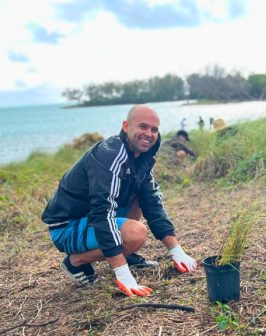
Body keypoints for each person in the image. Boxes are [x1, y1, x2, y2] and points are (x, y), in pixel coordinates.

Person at [42, 105, 197, 297]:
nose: (149, 134)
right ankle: (75, 261)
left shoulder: (143, 156)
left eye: (154, 129)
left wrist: (176, 250)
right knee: (135, 234)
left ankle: (127, 253)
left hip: (91, 219)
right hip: (67, 227)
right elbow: (102, 212)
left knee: (142, 195)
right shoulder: (111, 154)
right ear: (126, 126)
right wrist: (122, 273)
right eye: (143, 126)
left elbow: (151, 201)